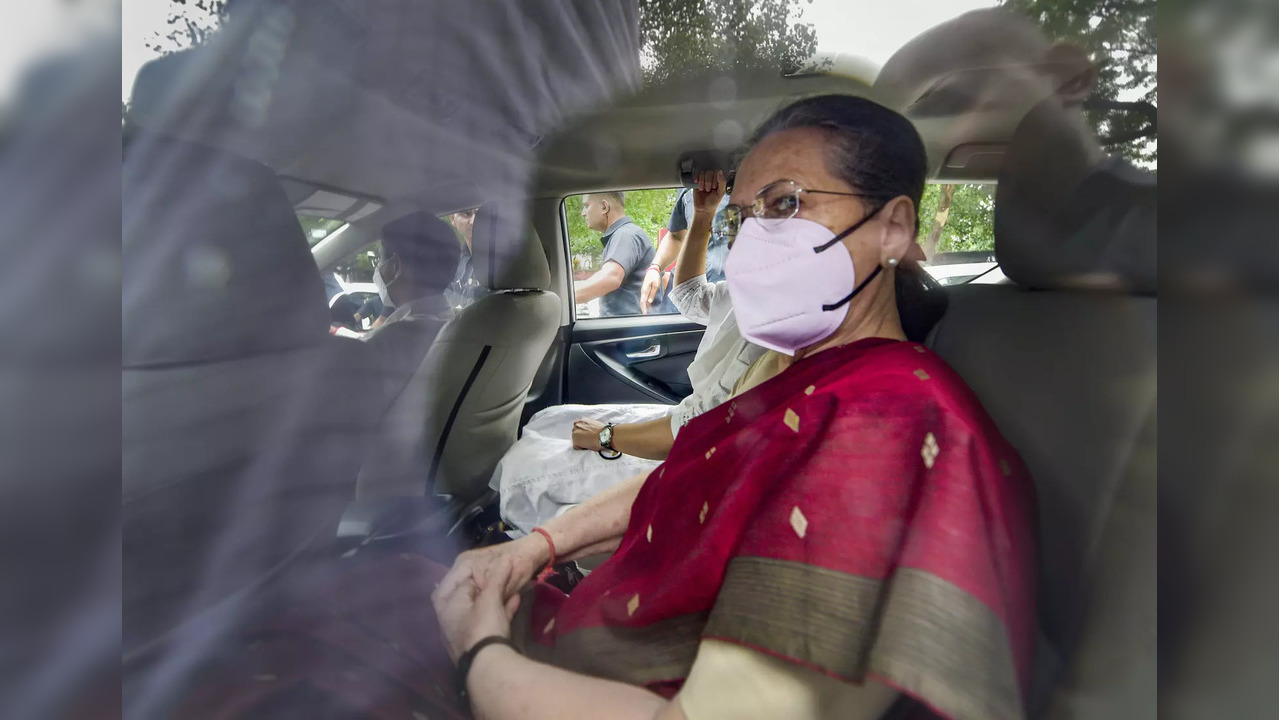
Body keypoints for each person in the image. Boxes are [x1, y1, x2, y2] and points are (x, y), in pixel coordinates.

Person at [174, 95, 1035, 720]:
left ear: (892, 228)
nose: (757, 241)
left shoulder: (885, 424)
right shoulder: (803, 372)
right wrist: (534, 549)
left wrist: (480, 652)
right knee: (383, 576)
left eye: (786, 206)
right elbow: (701, 457)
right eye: (744, 215)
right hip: (598, 604)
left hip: (601, 675)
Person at [498, 170, 764, 534]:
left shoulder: (771, 326)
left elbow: (693, 428)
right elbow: (688, 296)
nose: (734, 233)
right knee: (548, 420)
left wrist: (605, 436)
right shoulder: (741, 291)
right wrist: (702, 216)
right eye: (734, 218)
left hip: (700, 451)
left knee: (521, 472)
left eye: (757, 216)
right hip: (691, 421)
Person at [640, 186, 732, 313]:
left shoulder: (752, 178)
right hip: (690, 299)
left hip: (731, 302)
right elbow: (676, 236)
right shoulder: (687, 184)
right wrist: (655, 268)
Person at [573, 192, 655, 316]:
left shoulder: (625, 235)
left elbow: (610, 277)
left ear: (604, 207)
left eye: (586, 206)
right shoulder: (625, 234)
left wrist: (564, 298)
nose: (583, 213)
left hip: (629, 330)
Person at [446, 207, 484, 307]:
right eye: (466, 214)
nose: (473, 221)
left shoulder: (504, 261)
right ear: (452, 219)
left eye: (480, 215)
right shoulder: (452, 263)